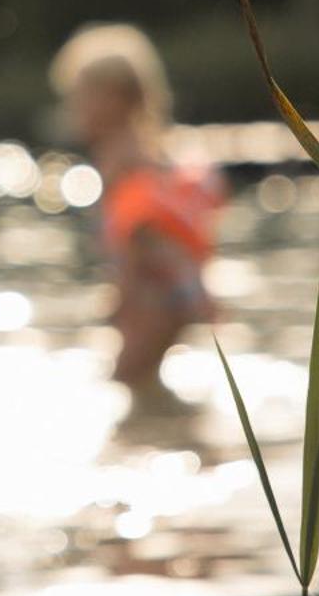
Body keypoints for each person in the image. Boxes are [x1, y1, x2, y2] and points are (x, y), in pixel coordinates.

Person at [52, 23, 224, 388]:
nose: (75, 107)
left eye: (83, 96)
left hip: (151, 293)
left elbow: (137, 234)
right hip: (176, 289)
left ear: (116, 99)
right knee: (143, 383)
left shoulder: (121, 158)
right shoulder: (149, 150)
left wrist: (121, 296)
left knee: (125, 379)